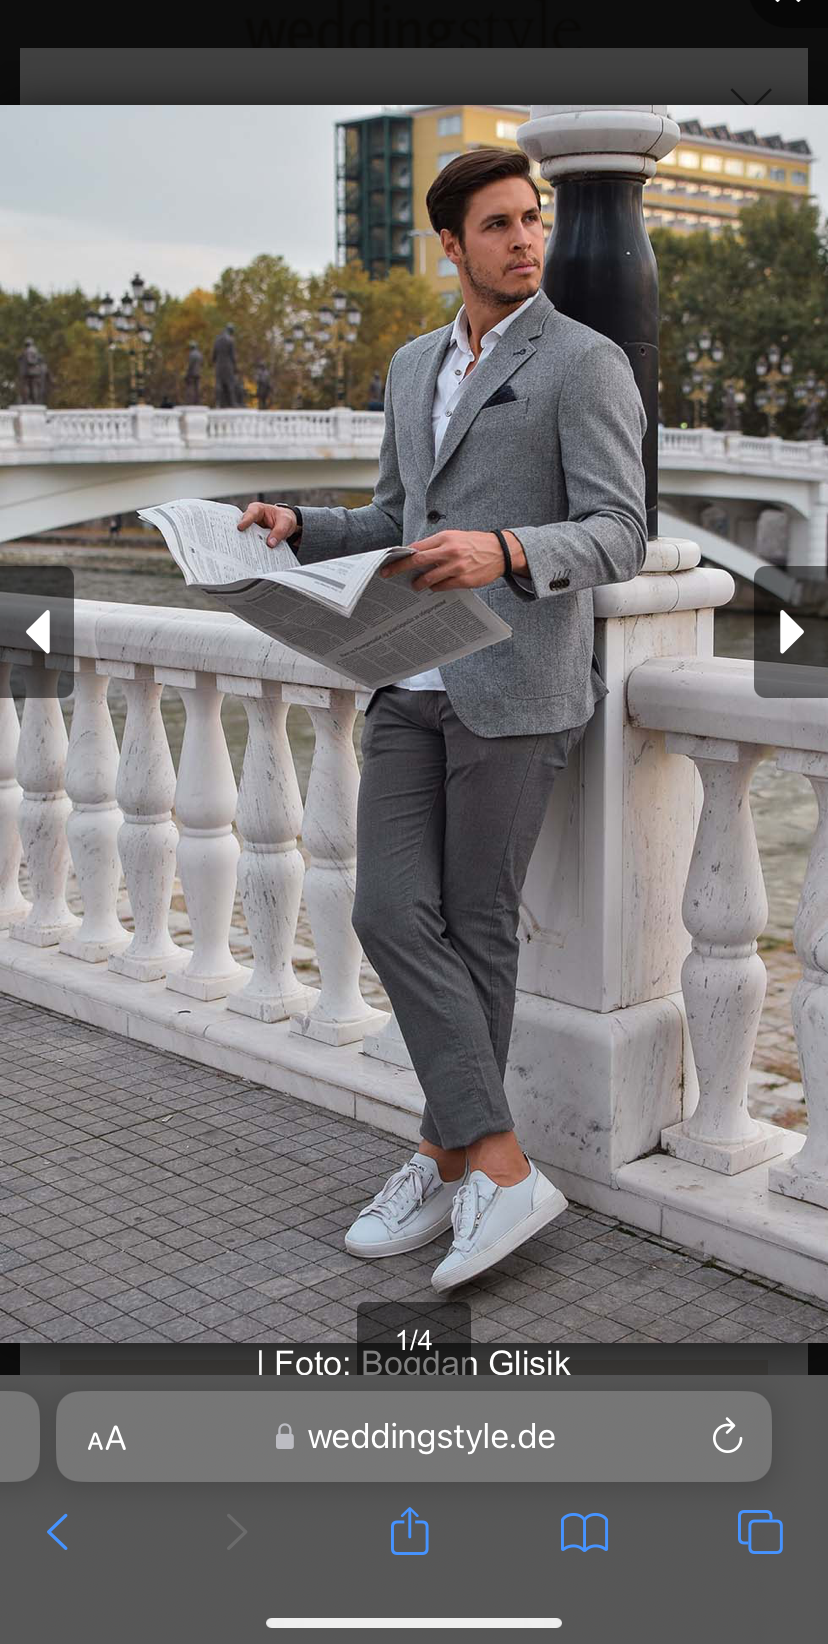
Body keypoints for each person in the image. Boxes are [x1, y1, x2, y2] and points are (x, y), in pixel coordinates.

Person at [237, 147, 647, 1291]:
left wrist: (506, 550)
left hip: (516, 688)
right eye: (499, 224)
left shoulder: (586, 362)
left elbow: (620, 531)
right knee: (383, 908)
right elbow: (393, 514)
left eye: (533, 219)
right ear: (451, 244)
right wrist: (301, 526)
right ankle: (495, 1163)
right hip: (407, 676)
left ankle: (446, 1155)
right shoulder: (414, 362)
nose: (525, 240)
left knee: (476, 927)